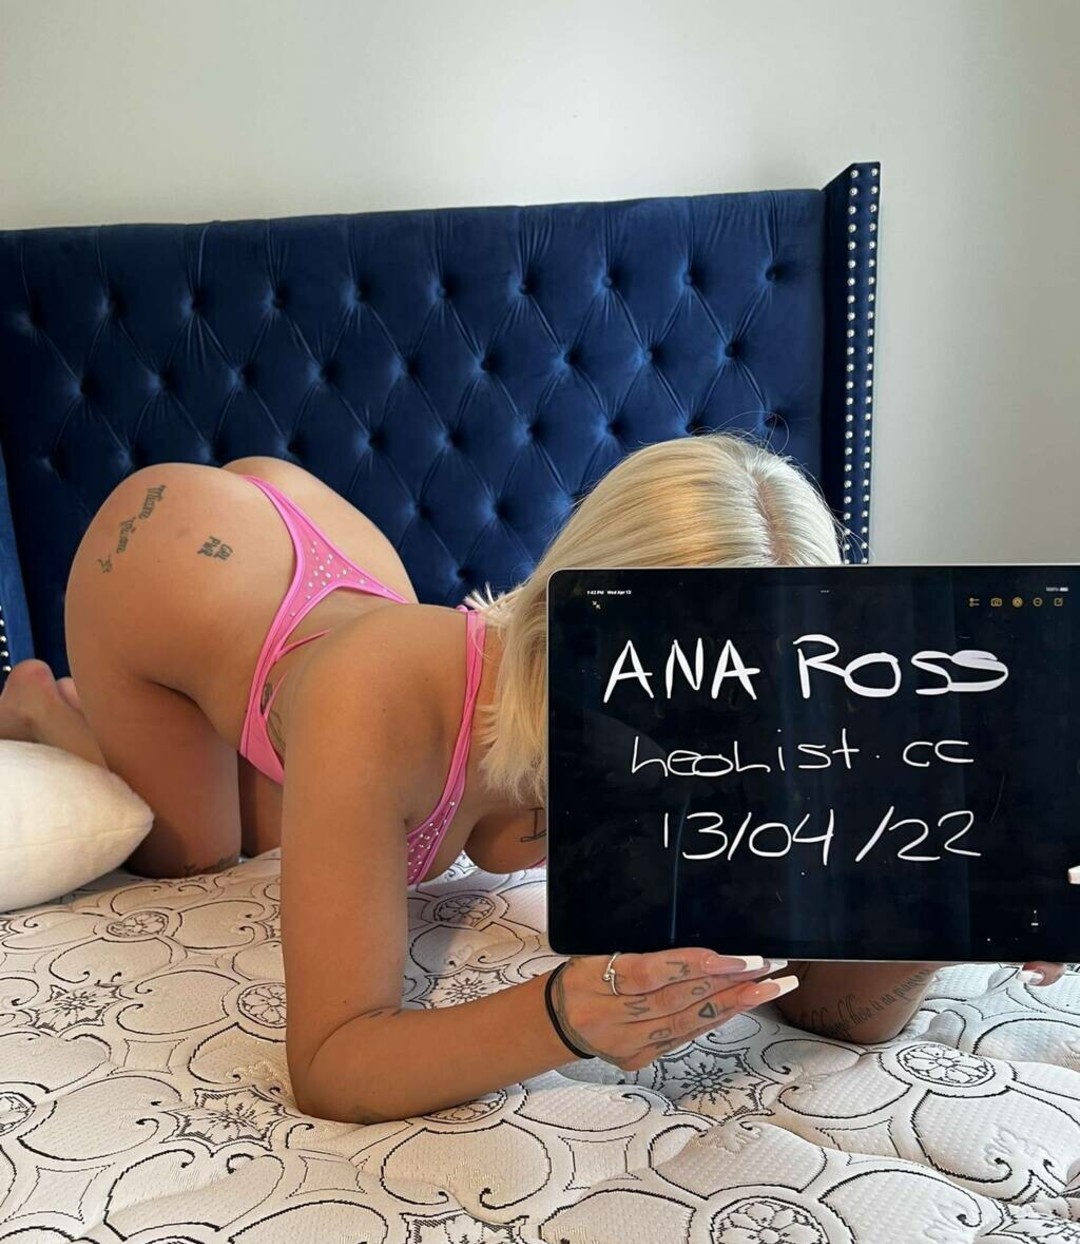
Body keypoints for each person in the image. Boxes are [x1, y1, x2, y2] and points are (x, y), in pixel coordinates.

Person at [0, 437, 1061, 1122]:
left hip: (330, 574)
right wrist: (560, 1016)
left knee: (319, 797)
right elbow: (329, 1063)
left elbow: (829, 1008)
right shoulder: (381, 702)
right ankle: (47, 704)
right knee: (194, 847)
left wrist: (945, 915)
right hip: (170, 556)